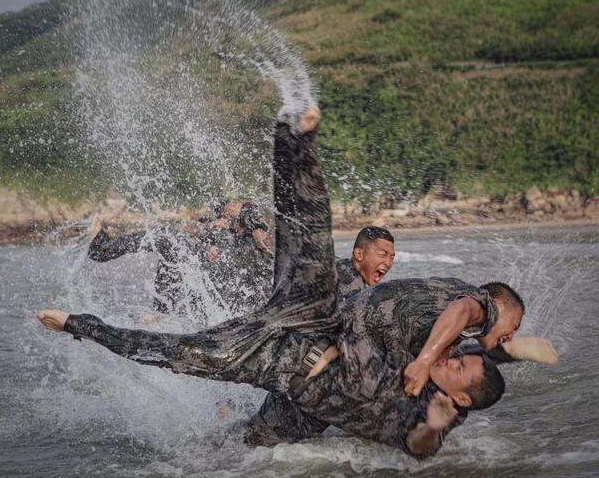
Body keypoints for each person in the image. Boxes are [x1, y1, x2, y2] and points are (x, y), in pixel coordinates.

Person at [37, 107, 550, 458]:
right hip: (310, 320)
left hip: (292, 385)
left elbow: (422, 445)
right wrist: (498, 350)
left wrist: (438, 421)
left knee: (185, 359)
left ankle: (80, 325)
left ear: (459, 399)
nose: (452, 358)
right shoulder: (434, 337)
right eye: (382, 255)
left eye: (457, 365)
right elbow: (463, 323)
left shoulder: (439, 410)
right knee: (305, 232)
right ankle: (296, 137)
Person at [87, 198, 272, 318]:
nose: (224, 223)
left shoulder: (257, 243)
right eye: (223, 217)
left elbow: (263, 226)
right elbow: (193, 229)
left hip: (237, 312)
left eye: (232, 220)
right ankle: (160, 314)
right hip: (205, 305)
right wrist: (210, 231)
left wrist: (255, 226)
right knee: (168, 240)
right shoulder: (216, 232)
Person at [336, 226, 395, 302]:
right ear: (359, 254)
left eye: (392, 258)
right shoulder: (351, 287)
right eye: (381, 255)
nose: (388, 263)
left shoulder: (340, 264)